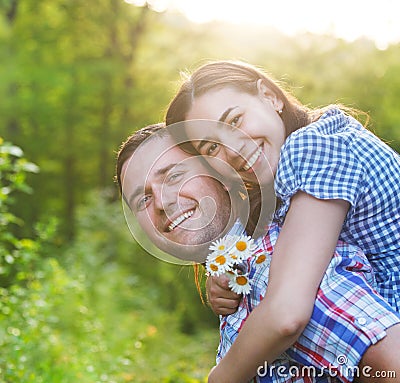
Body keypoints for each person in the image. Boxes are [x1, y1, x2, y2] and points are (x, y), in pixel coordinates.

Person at [165, 60, 400, 382]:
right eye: (212, 147)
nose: (232, 149)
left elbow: (286, 312)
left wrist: (219, 378)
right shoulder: (288, 167)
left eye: (235, 120)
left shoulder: (316, 145)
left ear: (270, 96)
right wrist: (228, 272)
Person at [116, 123, 400, 383]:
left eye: (175, 176)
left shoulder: (273, 265)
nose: (163, 203)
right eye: (143, 199)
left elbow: (391, 364)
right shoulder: (244, 271)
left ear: (222, 175)